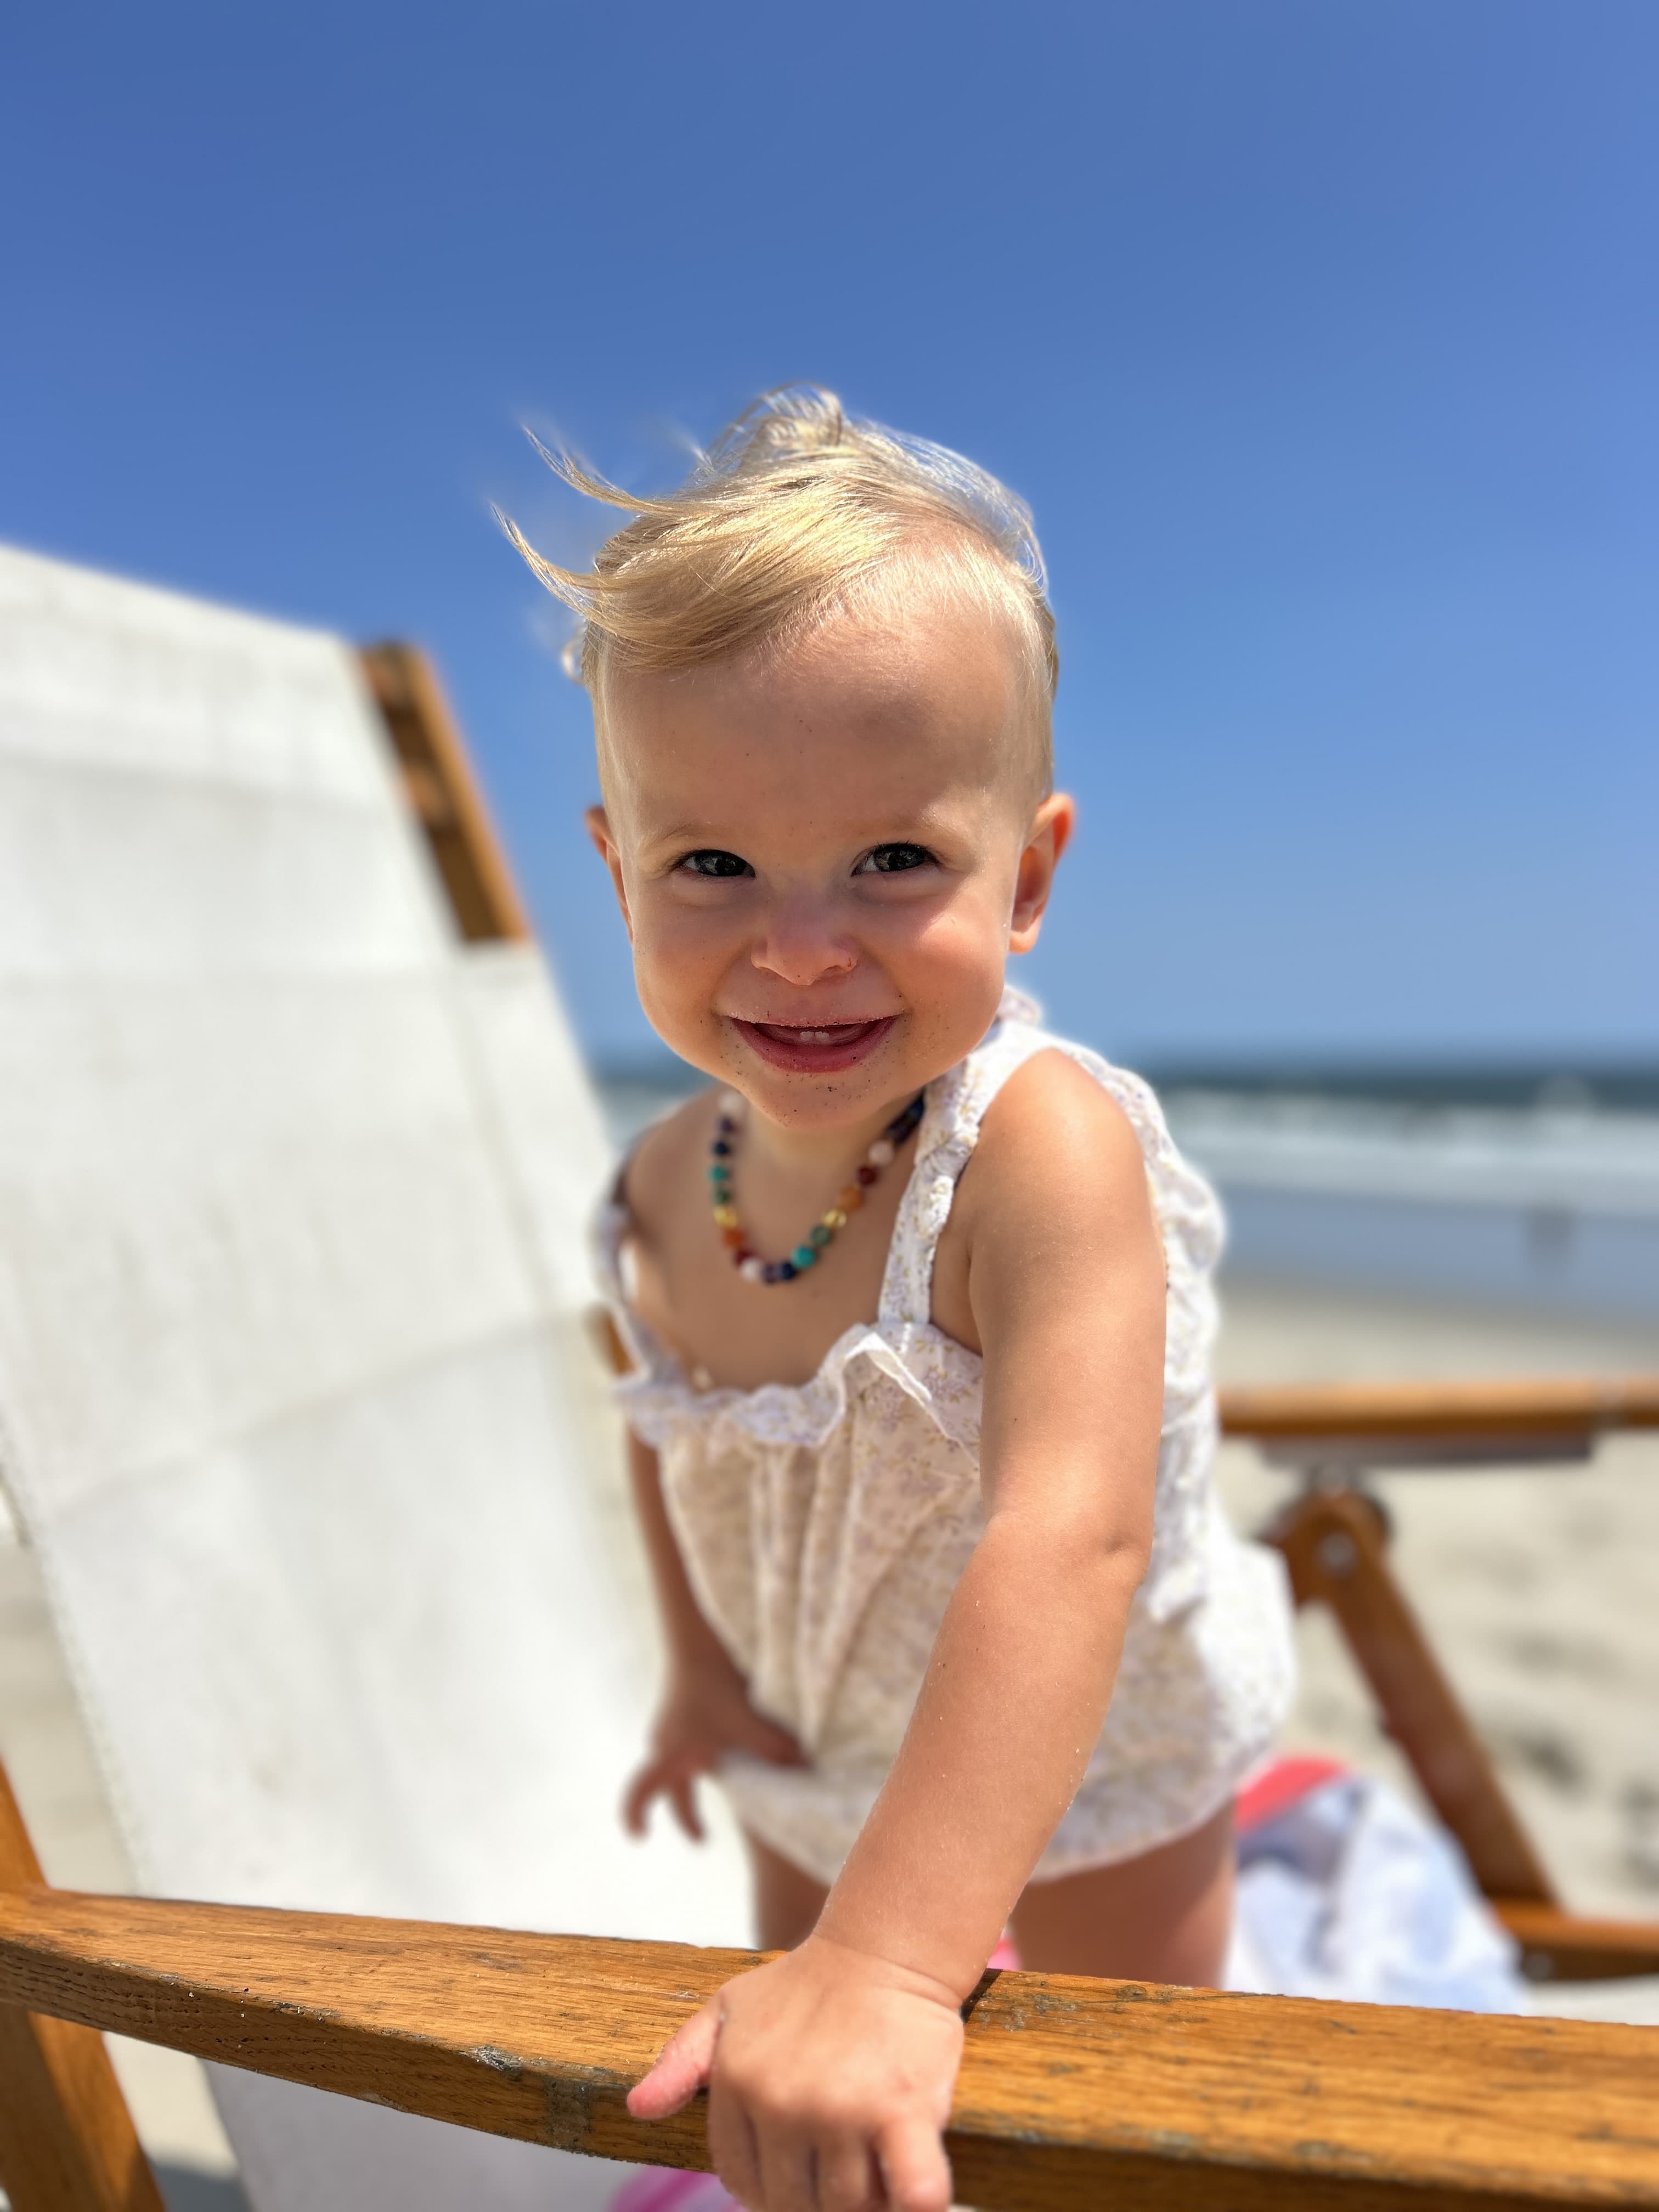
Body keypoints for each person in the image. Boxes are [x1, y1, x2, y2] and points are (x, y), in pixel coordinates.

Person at [510, 388, 1295, 2212]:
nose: (801, 945)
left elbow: (1071, 1537)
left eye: (893, 861)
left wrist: (888, 1958)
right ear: (620, 871)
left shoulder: (1034, 1155)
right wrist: (700, 1672)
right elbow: (672, 1433)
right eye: (712, 865)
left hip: (1097, 1743)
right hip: (812, 1737)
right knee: (806, 2091)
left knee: (1129, 2123)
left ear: (1028, 877)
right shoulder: (658, 1190)